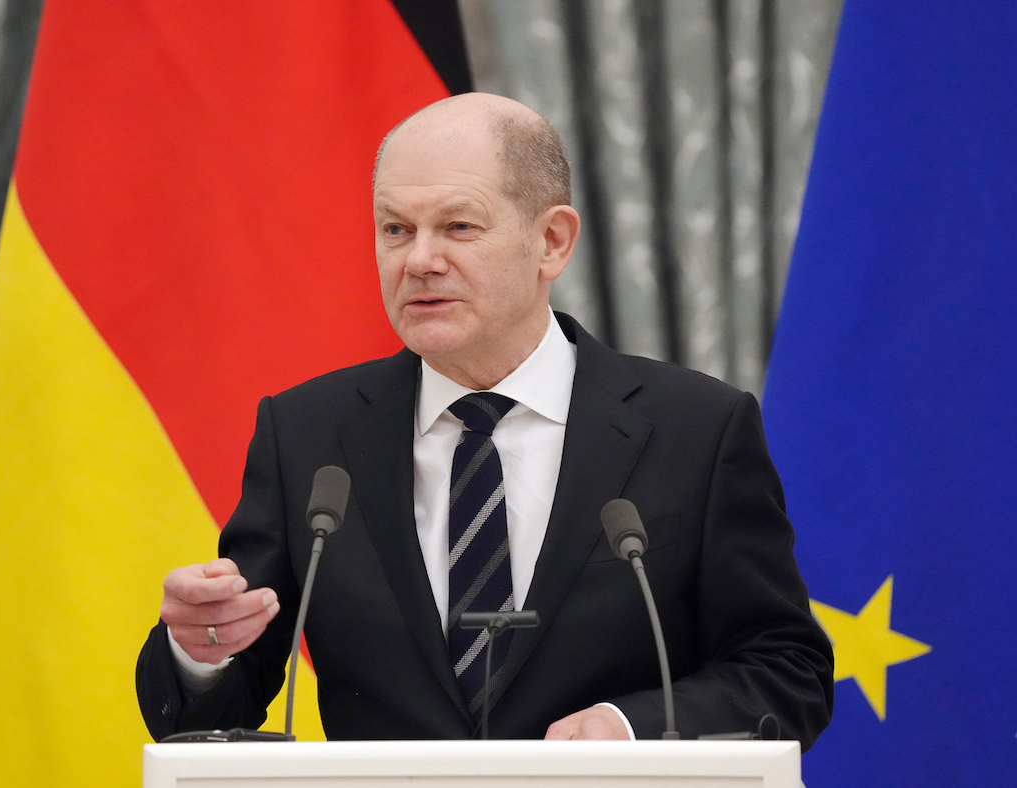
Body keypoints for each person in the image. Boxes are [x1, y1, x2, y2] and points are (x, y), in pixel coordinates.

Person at [136, 93, 833, 745]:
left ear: (552, 242)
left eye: (459, 227)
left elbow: (785, 670)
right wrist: (201, 653)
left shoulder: (697, 430)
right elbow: (225, 701)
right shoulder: (308, 435)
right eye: (394, 229)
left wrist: (630, 728)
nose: (419, 260)